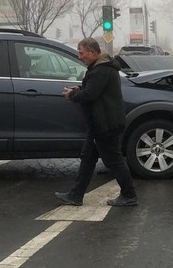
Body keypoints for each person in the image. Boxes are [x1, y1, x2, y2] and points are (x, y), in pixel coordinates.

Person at [55, 37, 138, 207]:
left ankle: (129, 195)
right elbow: (94, 91)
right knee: (88, 158)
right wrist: (79, 89)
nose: (80, 56)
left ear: (93, 53)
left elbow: (90, 95)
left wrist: (72, 95)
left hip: (105, 124)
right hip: (99, 123)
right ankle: (76, 195)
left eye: (81, 53)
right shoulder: (100, 68)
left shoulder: (101, 70)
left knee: (114, 160)